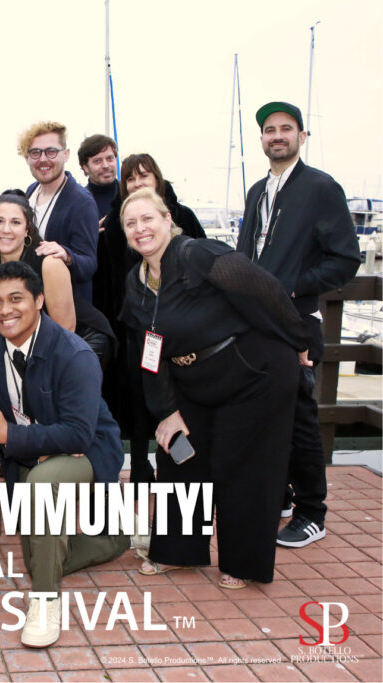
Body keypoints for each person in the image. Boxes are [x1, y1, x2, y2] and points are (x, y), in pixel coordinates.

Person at [118, 188, 311, 590]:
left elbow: (265, 291)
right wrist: (167, 410)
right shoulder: (135, 284)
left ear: (168, 219)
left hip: (252, 372)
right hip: (193, 379)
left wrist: (299, 340)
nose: (141, 229)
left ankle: (242, 563)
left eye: (147, 219)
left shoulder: (198, 256)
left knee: (242, 468)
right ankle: (177, 553)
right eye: (131, 223)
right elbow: (148, 353)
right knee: (179, 456)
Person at [0, 260, 127, 648]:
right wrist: (13, 436)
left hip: (87, 453)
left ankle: (46, 600)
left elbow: (80, 433)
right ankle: (114, 541)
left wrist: (11, 435)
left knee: (43, 484)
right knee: (38, 557)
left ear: (39, 300)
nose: (6, 310)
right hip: (29, 456)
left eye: (16, 298)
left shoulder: (74, 354)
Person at [237, 101, 360, 548]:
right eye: (269, 130)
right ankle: (284, 496)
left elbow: (346, 259)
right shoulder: (257, 191)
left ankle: (313, 512)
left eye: (286, 128)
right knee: (268, 415)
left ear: (302, 136)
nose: (277, 136)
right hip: (256, 325)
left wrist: (293, 287)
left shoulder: (320, 188)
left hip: (296, 323)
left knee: (301, 420)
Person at [95, 153, 206, 483]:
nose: (138, 182)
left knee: (177, 393)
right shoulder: (113, 224)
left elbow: (204, 263)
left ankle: (176, 459)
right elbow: (103, 280)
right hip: (132, 327)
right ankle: (140, 462)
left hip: (181, 329)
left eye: (144, 175)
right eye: (130, 178)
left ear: (157, 178)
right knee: (138, 393)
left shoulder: (181, 215)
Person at [0, 192, 116, 369]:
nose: (6, 229)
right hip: (32, 342)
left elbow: (65, 330)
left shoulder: (49, 263)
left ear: (27, 228)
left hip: (80, 340)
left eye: (15, 222)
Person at [20, 122, 99, 301]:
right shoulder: (31, 191)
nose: (43, 159)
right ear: (27, 158)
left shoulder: (81, 202)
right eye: (35, 152)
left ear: (66, 155)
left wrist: (67, 255)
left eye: (51, 151)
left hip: (66, 309)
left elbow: (89, 264)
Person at [77, 134, 119, 219]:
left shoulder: (129, 194)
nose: (105, 165)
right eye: (97, 161)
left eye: (110, 158)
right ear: (85, 167)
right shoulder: (78, 202)